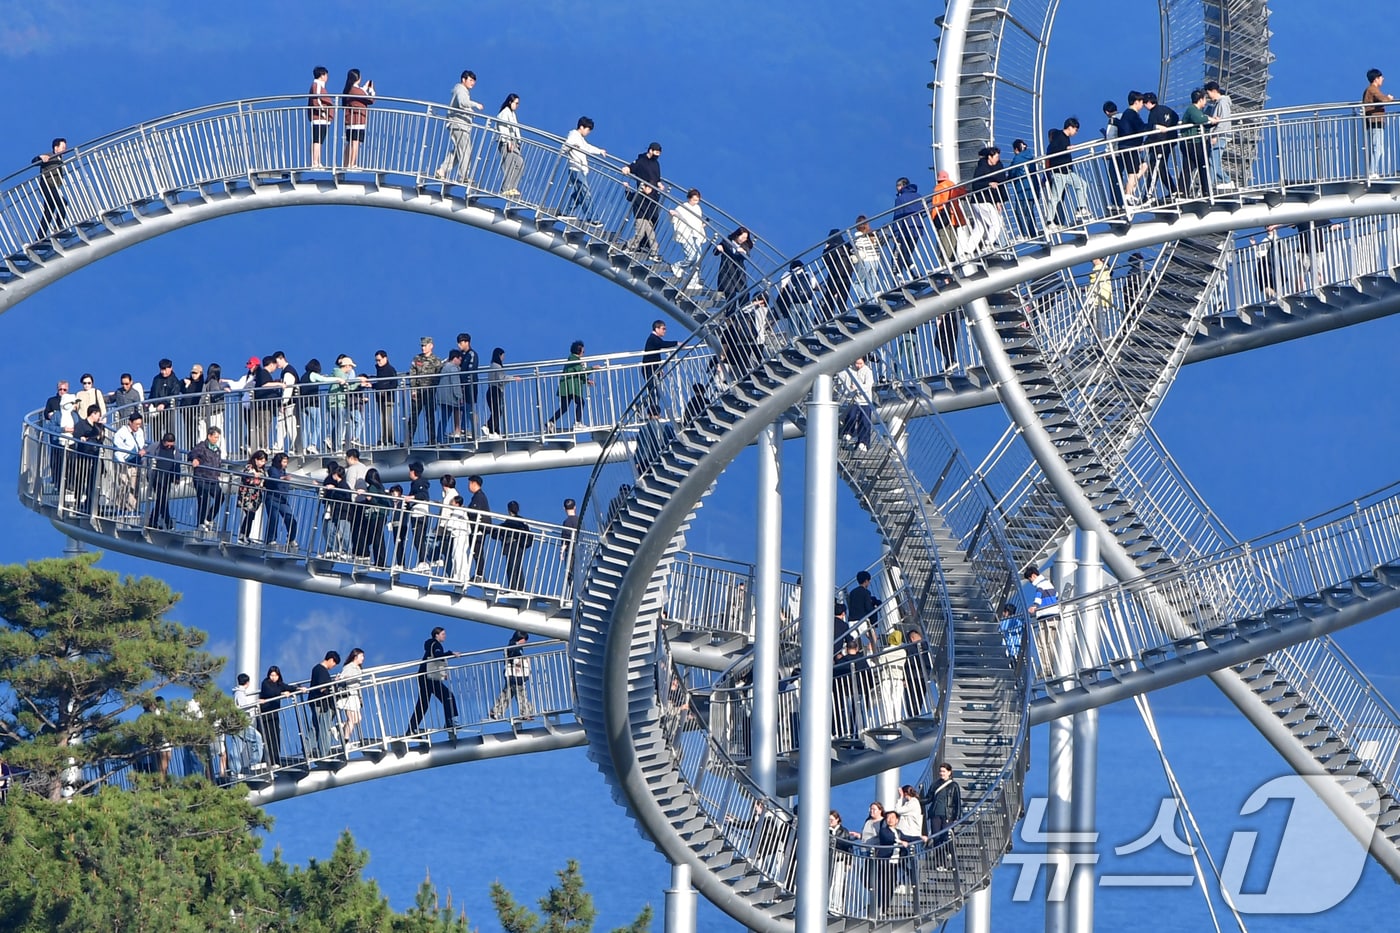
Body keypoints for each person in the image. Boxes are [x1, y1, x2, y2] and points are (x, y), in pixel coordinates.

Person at [406, 626, 461, 736]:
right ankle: (449, 722)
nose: (445, 636)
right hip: (429, 677)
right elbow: (437, 656)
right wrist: (451, 653)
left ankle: (411, 728)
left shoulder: (431, 644)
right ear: (437, 635)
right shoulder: (435, 644)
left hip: (426, 676)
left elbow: (435, 659)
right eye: (443, 634)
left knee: (423, 704)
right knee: (448, 696)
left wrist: (442, 673)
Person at [1043, 117, 1092, 228]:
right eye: (1076, 129)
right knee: (1056, 197)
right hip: (1059, 172)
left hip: (1067, 171)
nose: (1076, 132)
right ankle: (1049, 221)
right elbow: (1053, 150)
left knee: (1082, 184)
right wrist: (1066, 149)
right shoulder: (1059, 135)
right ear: (1070, 127)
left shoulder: (1065, 138)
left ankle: (1081, 208)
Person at [436, 70, 483, 183]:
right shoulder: (461, 89)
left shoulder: (462, 90)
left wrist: (470, 112)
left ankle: (442, 170)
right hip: (459, 125)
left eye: (474, 81)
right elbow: (462, 102)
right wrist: (475, 105)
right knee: (465, 150)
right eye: (470, 80)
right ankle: (464, 176)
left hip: (459, 125)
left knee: (459, 152)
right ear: (463, 79)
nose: (472, 83)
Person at [560, 116, 606, 225]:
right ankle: (592, 218)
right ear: (582, 127)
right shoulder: (574, 135)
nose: (588, 132)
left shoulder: (580, 138)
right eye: (588, 130)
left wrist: (599, 151)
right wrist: (571, 146)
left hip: (579, 170)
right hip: (576, 168)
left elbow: (587, 147)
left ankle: (565, 212)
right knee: (585, 193)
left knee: (579, 193)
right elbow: (564, 147)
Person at [621, 142, 665, 255]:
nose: (657, 155)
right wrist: (627, 169)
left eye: (659, 153)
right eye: (656, 152)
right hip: (643, 197)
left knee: (652, 223)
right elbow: (632, 167)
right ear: (650, 150)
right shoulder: (641, 161)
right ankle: (633, 246)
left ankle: (646, 247)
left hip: (653, 198)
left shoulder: (656, 164)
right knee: (641, 229)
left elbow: (657, 178)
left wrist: (659, 184)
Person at [488, 630, 537, 720]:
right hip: (514, 674)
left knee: (508, 693)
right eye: (524, 639)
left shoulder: (515, 646)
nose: (525, 642)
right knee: (520, 693)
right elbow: (511, 656)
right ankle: (525, 713)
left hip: (514, 675)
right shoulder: (513, 646)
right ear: (520, 638)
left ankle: (495, 711)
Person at [1024, 563, 1062, 674]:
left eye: (1030, 579)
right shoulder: (1049, 584)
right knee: (1050, 643)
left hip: (1046, 616)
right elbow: (1056, 596)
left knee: (1042, 644)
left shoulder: (1040, 585)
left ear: (1033, 576)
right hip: (1053, 616)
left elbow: (1038, 597)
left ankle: (1046, 668)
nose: (1031, 582)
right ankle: (1050, 666)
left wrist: (1034, 607)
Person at [546, 340, 592, 432]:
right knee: (580, 402)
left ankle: (551, 421)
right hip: (571, 387)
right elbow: (580, 371)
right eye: (583, 351)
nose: (583, 353)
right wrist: (592, 368)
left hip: (566, 387)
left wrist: (586, 380)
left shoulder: (571, 359)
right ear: (579, 351)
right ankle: (577, 423)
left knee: (564, 407)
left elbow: (577, 372)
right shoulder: (574, 359)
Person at [258, 665, 299, 766]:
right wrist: (282, 693)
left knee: (275, 737)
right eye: (272, 675)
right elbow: (270, 693)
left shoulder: (279, 684)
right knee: (267, 737)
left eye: (275, 675)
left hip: (275, 714)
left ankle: (275, 759)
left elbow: (289, 687)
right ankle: (266, 760)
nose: (273, 678)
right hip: (266, 714)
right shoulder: (265, 683)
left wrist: (298, 689)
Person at [228, 673, 267, 779]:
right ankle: (254, 762)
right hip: (242, 723)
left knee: (237, 747)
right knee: (257, 738)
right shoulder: (240, 694)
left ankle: (235, 771)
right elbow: (243, 707)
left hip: (236, 723)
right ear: (247, 683)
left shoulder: (236, 693)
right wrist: (256, 704)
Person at [32, 137, 71, 240]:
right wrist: (40, 157)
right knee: (62, 203)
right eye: (63, 147)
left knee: (49, 211)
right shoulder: (49, 156)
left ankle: (40, 237)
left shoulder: (59, 159)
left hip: (53, 186)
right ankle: (58, 227)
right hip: (47, 185)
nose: (65, 150)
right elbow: (34, 161)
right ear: (56, 148)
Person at [925, 762, 962, 871]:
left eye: (944, 771)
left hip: (948, 815)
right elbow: (929, 798)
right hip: (935, 814)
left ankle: (949, 853)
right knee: (936, 838)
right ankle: (940, 863)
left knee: (946, 837)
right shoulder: (935, 784)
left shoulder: (954, 785)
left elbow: (957, 802)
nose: (941, 773)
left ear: (949, 772)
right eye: (940, 771)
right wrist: (915, 799)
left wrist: (957, 817)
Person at [189, 426, 225, 532]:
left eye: (218, 437)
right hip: (201, 477)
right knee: (203, 500)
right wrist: (195, 459)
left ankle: (209, 518)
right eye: (215, 437)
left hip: (213, 479)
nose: (216, 440)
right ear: (209, 436)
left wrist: (218, 474)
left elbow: (218, 463)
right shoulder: (201, 446)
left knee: (220, 498)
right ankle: (200, 523)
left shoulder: (217, 450)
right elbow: (192, 454)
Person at [307, 650, 342, 758]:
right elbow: (323, 688)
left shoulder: (317, 669)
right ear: (331, 660)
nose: (333, 666)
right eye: (334, 663)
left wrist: (332, 682)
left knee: (315, 727)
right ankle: (324, 753)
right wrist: (333, 685)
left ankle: (307, 749)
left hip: (315, 702)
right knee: (324, 728)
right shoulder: (321, 670)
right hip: (321, 704)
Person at [408, 337, 443, 445]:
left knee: (430, 417)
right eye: (422, 346)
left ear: (431, 346)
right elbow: (412, 375)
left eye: (425, 345)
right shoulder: (417, 359)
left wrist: (432, 387)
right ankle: (408, 440)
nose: (423, 348)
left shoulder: (436, 361)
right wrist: (413, 389)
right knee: (413, 417)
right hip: (418, 392)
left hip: (429, 392)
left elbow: (438, 376)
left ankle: (432, 441)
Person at [668, 188, 706, 288]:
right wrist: (673, 214)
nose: (695, 202)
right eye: (694, 200)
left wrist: (702, 224)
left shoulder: (698, 208)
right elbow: (674, 218)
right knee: (691, 256)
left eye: (697, 200)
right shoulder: (682, 207)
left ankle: (693, 281)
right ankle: (678, 266)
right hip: (685, 234)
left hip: (696, 234)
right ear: (689, 198)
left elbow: (697, 220)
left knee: (698, 259)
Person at [1179, 88, 1214, 197]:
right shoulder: (1192, 109)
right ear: (1201, 99)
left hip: (1192, 142)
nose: (1206, 101)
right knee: (1201, 165)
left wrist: (1211, 122)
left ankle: (1183, 191)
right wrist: (1210, 118)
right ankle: (1205, 190)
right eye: (1205, 99)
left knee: (1190, 166)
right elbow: (1199, 119)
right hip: (1193, 143)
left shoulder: (1196, 110)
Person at [111, 411, 147, 515]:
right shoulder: (121, 433)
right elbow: (117, 449)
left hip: (136, 463)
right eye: (136, 424)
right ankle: (119, 507)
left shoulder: (140, 432)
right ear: (130, 422)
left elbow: (141, 444)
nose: (138, 426)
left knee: (134, 487)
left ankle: (131, 508)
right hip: (124, 463)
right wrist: (122, 463)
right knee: (123, 485)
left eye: (140, 424)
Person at [493, 500, 533, 591]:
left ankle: (513, 587)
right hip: (521, 545)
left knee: (511, 566)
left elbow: (498, 532)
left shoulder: (509, 521)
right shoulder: (522, 522)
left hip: (512, 544)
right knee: (518, 566)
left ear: (508, 510)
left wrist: (497, 531)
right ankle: (520, 588)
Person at [262, 451, 299, 548]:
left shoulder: (283, 471)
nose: (286, 464)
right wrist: (284, 478)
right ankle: (271, 539)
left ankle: (291, 539)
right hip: (272, 498)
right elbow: (274, 478)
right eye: (284, 462)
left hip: (282, 499)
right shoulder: (272, 469)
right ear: (279, 462)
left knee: (290, 518)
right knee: (274, 519)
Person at [1204, 81, 1235, 190]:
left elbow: (1224, 121)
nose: (1208, 96)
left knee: (1213, 161)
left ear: (1213, 91)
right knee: (1213, 161)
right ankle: (1225, 181)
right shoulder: (1218, 103)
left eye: (1208, 93)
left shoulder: (1222, 103)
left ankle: (1213, 185)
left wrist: (1215, 135)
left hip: (1220, 135)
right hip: (1219, 135)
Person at [341, 68, 374, 169]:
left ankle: (346, 164)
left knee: (350, 142)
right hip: (357, 120)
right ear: (358, 78)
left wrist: (364, 88)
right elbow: (370, 100)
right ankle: (352, 164)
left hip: (350, 120)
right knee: (355, 142)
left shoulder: (349, 90)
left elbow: (360, 94)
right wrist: (371, 91)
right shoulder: (356, 90)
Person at [642, 319, 679, 412]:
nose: (665, 331)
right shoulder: (653, 338)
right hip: (649, 369)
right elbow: (662, 344)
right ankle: (651, 410)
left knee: (655, 391)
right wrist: (676, 343)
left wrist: (659, 367)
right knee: (654, 391)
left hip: (653, 368)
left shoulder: (655, 339)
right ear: (657, 329)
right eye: (663, 329)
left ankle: (645, 407)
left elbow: (655, 355)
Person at [1364, 68, 1394, 179]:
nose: (1383, 79)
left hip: (1376, 122)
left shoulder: (1371, 89)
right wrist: (1389, 98)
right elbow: (1383, 99)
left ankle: (1373, 171)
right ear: (1376, 79)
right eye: (1381, 77)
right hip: (1375, 122)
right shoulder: (1372, 89)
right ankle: (1372, 172)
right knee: (1377, 148)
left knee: (1378, 148)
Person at [890, 176, 924, 274]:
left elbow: (898, 216)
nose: (897, 188)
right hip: (917, 229)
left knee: (898, 255)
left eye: (898, 185)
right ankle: (914, 274)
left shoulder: (900, 199)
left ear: (903, 185)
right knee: (907, 254)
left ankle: (901, 276)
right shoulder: (918, 196)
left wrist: (895, 233)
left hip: (905, 230)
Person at [148, 432, 180, 530]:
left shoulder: (175, 450)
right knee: (162, 498)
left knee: (162, 499)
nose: (169, 446)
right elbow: (147, 454)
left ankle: (153, 521)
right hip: (157, 476)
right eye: (168, 444)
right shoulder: (156, 446)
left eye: (171, 444)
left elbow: (177, 463)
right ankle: (167, 521)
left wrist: (177, 477)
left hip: (168, 477)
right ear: (164, 441)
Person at [336, 647, 366, 748]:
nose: (363, 658)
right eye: (361, 656)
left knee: (357, 719)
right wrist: (346, 678)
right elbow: (342, 677)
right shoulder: (349, 667)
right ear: (355, 656)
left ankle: (339, 727)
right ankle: (346, 741)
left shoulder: (358, 668)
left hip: (355, 696)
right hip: (349, 695)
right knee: (352, 719)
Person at [236, 450, 268, 543]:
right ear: (256, 459)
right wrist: (255, 477)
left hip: (255, 497)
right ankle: (242, 535)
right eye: (261, 460)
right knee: (249, 515)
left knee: (251, 515)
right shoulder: (249, 467)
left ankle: (246, 535)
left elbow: (264, 479)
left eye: (264, 461)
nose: (262, 463)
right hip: (247, 495)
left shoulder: (262, 470)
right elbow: (247, 479)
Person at [496, 93, 525, 196]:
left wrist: (518, 141)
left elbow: (516, 128)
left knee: (519, 163)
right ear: (510, 102)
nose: (517, 106)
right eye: (516, 103)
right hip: (506, 143)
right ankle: (505, 189)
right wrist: (508, 141)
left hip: (514, 143)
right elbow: (502, 127)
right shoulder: (504, 113)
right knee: (508, 166)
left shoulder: (512, 114)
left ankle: (512, 187)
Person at [849, 215, 882, 303]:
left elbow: (858, 249)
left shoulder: (858, 236)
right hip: (875, 260)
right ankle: (873, 299)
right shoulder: (873, 234)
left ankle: (863, 297)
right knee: (872, 283)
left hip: (866, 260)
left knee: (858, 282)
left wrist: (852, 251)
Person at [714, 227, 752, 301]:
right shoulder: (727, 242)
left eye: (745, 238)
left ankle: (744, 308)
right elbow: (715, 252)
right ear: (737, 235)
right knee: (730, 294)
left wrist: (743, 252)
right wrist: (718, 248)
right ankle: (730, 308)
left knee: (744, 294)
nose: (743, 240)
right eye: (742, 237)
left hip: (738, 273)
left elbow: (747, 255)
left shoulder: (744, 246)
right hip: (726, 272)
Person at [371, 349, 399, 446]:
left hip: (388, 398)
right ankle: (383, 438)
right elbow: (380, 384)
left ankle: (390, 439)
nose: (378, 362)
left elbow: (394, 384)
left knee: (387, 419)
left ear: (385, 358)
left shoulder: (390, 369)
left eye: (379, 360)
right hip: (380, 398)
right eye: (376, 360)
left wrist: (381, 389)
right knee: (382, 419)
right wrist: (374, 386)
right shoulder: (379, 369)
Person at [307, 66, 333, 168]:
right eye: (326, 75)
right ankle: (315, 162)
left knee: (318, 140)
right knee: (317, 140)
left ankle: (316, 161)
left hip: (320, 118)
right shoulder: (317, 85)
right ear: (322, 75)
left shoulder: (318, 85)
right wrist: (323, 112)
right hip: (319, 118)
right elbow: (316, 100)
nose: (327, 77)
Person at [1089, 255, 1114, 336]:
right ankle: (1100, 336)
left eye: (1094, 259)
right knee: (1098, 319)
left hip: (1098, 297)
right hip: (1100, 297)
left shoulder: (1100, 268)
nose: (1093, 261)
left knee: (1097, 319)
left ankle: (1100, 336)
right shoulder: (1105, 269)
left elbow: (1096, 282)